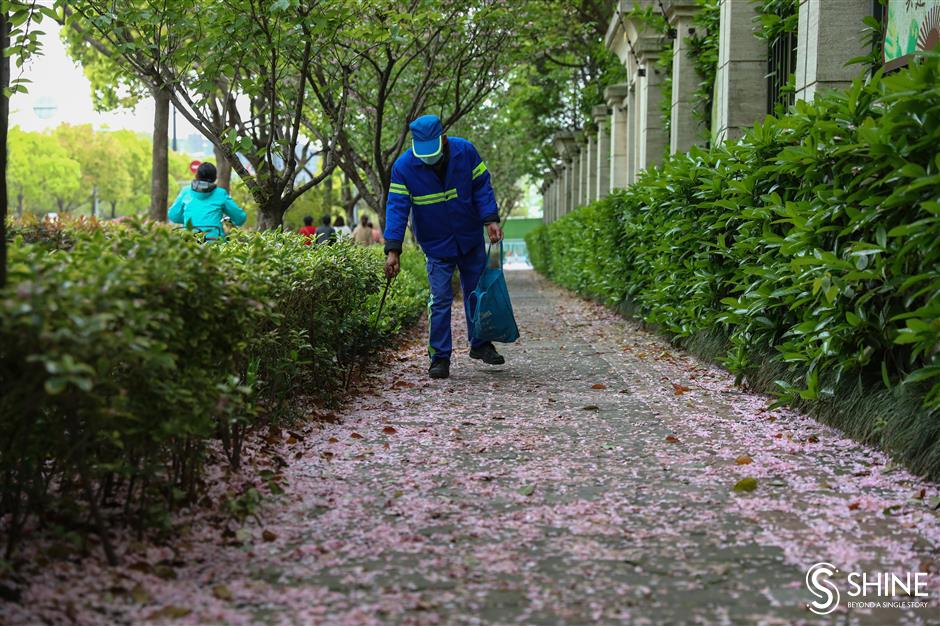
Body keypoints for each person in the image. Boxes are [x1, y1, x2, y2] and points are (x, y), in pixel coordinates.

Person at [383, 114, 504, 380]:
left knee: (477, 293)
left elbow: (482, 187)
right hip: (436, 243)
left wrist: (490, 220)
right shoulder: (404, 167)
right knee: (439, 300)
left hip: (469, 237)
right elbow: (397, 208)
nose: (429, 158)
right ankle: (439, 358)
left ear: (444, 140)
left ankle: (480, 343)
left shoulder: (466, 152)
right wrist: (393, 249)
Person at [168, 162, 246, 240]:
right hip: (215, 243)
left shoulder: (185, 192)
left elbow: (173, 216)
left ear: (196, 175)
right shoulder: (220, 194)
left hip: (190, 242)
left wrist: (189, 221)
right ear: (215, 178)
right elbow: (240, 218)